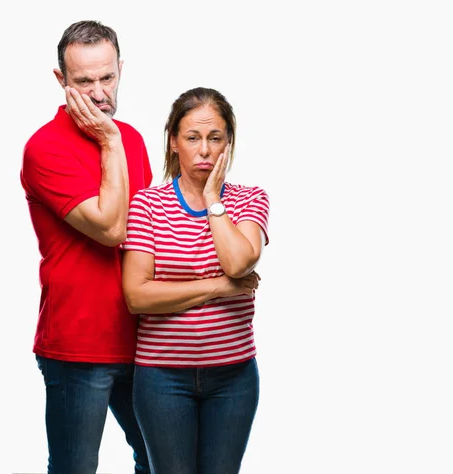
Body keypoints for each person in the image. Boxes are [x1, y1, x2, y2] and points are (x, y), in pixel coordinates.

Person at [20, 20, 152, 474]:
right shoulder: (45, 148)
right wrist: (110, 140)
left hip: (143, 341)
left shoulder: (134, 140)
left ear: (120, 69)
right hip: (77, 347)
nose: (99, 94)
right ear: (61, 81)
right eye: (83, 81)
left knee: (165, 462)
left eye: (107, 78)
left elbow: (145, 236)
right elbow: (112, 229)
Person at [121, 86, 269, 474]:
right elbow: (137, 295)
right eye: (192, 137)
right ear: (173, 142)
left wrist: (213, 200)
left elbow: (237, 262)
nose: (204, 150)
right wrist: (218, 287)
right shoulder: (147, 204)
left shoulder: (250, 199)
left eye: (215, 138)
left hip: (233, 378)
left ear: (228, 144)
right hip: (161, 380)